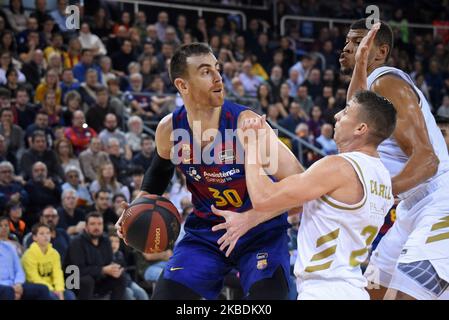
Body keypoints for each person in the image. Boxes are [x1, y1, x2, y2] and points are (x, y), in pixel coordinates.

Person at [116, 43, 303, 300]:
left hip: (261, 233)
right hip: (207, 234)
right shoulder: (169, 129)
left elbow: (301, 185)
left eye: (217, 69)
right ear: (183, 85)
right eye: (205, 72)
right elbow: (158, 173)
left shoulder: (246, 124)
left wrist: (249, 218)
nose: (218, 77)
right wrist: (134, 209)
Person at [212, 90, 396, 301]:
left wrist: (252, 146)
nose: (336, 115)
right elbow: (295, 202)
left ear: (361, 128)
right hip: (353, 288)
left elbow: (263, 198)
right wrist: (248, 219)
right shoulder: (383, 177)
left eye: (345, 112)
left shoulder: (339, 167)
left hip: (325, 291)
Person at [340, 19, 449, 300]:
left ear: (381, 52)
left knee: (404, 297)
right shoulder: (367, 94)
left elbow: (427, 160)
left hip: (439, 204)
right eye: (348, 41)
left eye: (358, 42)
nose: (347, 47)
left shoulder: (387, 81)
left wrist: (377, 196)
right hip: (409, 211)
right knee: (372, 290)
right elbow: (356, 106)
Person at [65, 212, 127, 300]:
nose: (96, 227)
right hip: (73, 280)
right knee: (87, 280)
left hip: (97, 277)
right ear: (86, 227)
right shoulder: (76, 242)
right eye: (92, 224)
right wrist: (102, 270)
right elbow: (77, 269)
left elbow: (109, 262)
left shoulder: (106, 240)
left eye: (99, 224)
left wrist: (115, 269)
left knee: (121, 278)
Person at [0, 216, 52, 300]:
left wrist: (18, 284)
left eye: (6, 225)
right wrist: (12, 289)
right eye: (0, 226)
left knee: (43, 289)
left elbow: (18, 269)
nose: (3, 228)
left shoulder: (11, 246)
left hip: (15, 284)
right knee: (8, 292)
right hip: (3, 286)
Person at [21, 223, 76, 300]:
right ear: (34, 237)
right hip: (37, 288)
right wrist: (53, 290)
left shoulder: (54, 253)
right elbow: (33, 278)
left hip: (54, 287)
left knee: (70, 295)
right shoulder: (29, 255)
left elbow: (58, 273)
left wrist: (59, 289)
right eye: (42, 233)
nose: (46, 236)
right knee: (52, 296)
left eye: (48, 233)